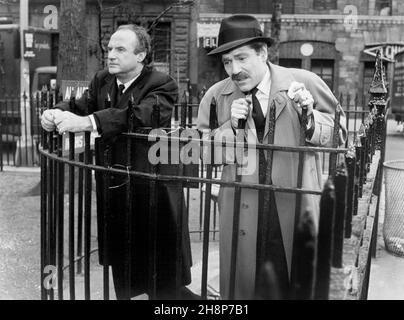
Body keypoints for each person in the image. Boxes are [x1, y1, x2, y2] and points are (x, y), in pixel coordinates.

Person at [197, 14, 347, 299]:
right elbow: (202, 151)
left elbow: (341, 137)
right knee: (247, 288)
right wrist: (230, 126)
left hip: (294, 205)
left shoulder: (305, 82)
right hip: (243, 211)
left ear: (263, 53)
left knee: (295, 284)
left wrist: (310, 118)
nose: (234, 69)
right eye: (227, 61)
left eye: (241, 58)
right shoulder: (217, 96)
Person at [41, 24, 196, 300]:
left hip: (152, 191)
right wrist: (54, 113)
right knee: (124, 273)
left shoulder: (162, 83)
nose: (111, 55)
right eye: (110, 48)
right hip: (114, 190)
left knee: (162, 279)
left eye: (120, 49)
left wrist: (88, 122)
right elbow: (79, 105)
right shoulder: (103, 80)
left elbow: (139, 116)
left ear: (141, 55)